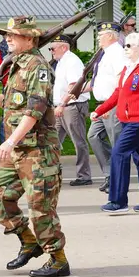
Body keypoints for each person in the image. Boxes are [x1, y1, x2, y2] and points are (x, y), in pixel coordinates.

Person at [0, 16, 69, 277]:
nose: (8, 38)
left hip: (38, 151)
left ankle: (58, 260)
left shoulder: (38, 67)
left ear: (30, 38)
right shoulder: (16, 65)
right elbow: (13, 105)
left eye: (14, 35)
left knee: (40, 206)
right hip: (18, 150)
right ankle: (29, 241)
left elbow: (34, 111)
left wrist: (10, 141)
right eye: (6, 34)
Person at [91, 32, 139, 214]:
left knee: (118, 153)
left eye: (130, 46)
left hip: (138, 121)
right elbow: (118, 93)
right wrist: (100, 110)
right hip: (126, 120)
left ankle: (117, 201)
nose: (126, 48)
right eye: (125, 45)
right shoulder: (128, 67)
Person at [80, 22, 126, 193]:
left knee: (117, 144)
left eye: (101, 35)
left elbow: (121, 83)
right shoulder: (105, 54)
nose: (98, 37)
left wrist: (109, 106)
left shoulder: (117, 54)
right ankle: (110, 174)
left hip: (113, 105)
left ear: (111, 36)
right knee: (93, 136)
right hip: (103, 106)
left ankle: (118, 181)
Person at [49, 34, 92, 186]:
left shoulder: (72, 61)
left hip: (71, 106)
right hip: (62, 107)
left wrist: (61, 104)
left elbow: (74, 87)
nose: (51, 51)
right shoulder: (61, 61)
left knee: (78, 141)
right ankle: (50, 172)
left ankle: (84, 175)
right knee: (52, 141)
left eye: (52, 48)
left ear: (63, 47)